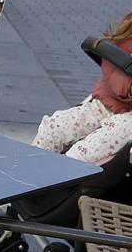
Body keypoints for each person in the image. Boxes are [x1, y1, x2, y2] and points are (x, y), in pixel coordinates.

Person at [32, 12, 132, 165]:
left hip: (127, 120)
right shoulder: (128, 30)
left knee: (84, 152)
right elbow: (112, 63)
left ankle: (64, 175)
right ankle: (29, 171)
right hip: (106, 103)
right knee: (54, 127)